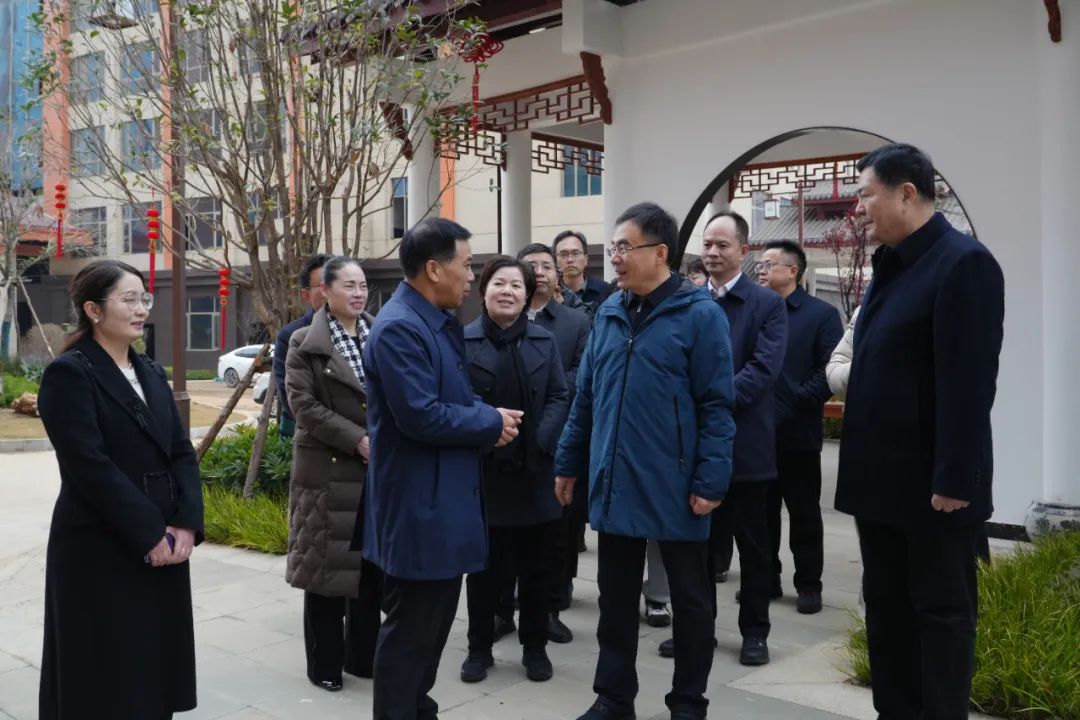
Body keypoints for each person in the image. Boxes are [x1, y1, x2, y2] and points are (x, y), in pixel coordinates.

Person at [835, 143, 1004, 720]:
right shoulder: (891, 263)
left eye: (866, 194)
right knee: (887, 615)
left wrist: (955, 477)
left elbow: (969, 383)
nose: (859, 208)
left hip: (934, 491)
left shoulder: (963, 263)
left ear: (907, 193)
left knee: (941, 618)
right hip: (881, 485)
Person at [555, 202, 736, 720]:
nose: (614, 257)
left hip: (677, 483)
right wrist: (568, 461)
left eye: (624, 247)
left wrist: (711, 479)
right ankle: (614, 698)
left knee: (692, 602)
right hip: (614, 478)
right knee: (615, 599)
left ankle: (688, 703)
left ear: (660, 253)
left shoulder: (701, 315)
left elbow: (717, 405)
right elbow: (586, 398)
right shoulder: (610, 312)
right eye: (612, 247)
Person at [361, 218, 523, 720]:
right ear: (434, 269)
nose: (471, 276)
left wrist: (487, 418)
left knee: (429, 630)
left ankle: (417, 707)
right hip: (419, 508)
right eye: (467, 265)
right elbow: (421, 414)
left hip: (441, 504)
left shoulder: (433, 320)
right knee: (411, 633)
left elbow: (453, 396)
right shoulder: (400, 328)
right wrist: (488, 421)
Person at [36, 259, 204, 719]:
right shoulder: (70, 374)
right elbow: (88, 466)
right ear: (93, 310)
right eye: (128, 299)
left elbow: (179, 450)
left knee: (154, 667)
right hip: (100, 541)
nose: (141, 309)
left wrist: (186, 523)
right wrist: (149, 532)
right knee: (105, 673)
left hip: (165, 539)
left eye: (144, 298)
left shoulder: (149, 370)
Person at [661, 210, 787, 667]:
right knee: (697, 548)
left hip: (746, 447)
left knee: (754, 548)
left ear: (744, 251)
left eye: (722, 245)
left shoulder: (766, 305)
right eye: (707, 245)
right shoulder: (687, 301)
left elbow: (763, 370)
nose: (712, 253)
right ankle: (698, 630)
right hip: (693, 448)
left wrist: (711, 400)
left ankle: (755, 632)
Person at [460, 256, 570, 684]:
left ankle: (535, 648)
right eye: (499, 283)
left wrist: (541, 437)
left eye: (516, 286)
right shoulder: (463, 340)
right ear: (483, 291)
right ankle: (478, 648)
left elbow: (560, 395)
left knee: (537, 569)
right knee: (483, 571)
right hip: (484, 471)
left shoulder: (544, 340)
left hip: (535, 471)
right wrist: (490, 428)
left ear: (527, 296)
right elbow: (457, 399)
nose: (507, 292)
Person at [284, 256, 381, 691]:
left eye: (363, 286)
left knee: (370, 570)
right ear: (325, 291)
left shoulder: (380, 333)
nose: (359, 294)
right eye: (349, 286)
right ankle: (324, 666)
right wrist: (357, 439)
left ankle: (364, 658)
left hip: (377, 470)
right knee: (325, 572)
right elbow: (303, 406)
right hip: (328, 470)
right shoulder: (303, 341)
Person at [757, 240, 843, 615]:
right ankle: (766, 579)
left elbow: (828, 372)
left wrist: (791, 403)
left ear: (793, 271)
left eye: (769, 264)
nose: (761, 270)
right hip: (758, 434)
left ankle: (809, 584)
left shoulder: (820, 315)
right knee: (762, 514)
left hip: (799, 433)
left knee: (804, 514)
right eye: (760, 264)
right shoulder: (756, 311)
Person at [517, 242, 592, 643]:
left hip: (559, 438)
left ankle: (552, 605)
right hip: (509, 435)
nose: (540, 272)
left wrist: (546, 416)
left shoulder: (576, 322)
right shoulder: (502, 317)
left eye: (547, 265)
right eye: (531, 266)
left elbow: (580, 378)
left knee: (558, 530)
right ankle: (504, 607)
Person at [273, 253, 331, 437]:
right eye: (323, 285)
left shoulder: (367, 329)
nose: (331, 290)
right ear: (306, 295)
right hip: (314, 438)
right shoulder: (292, 336)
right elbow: (292, 399)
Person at [553, 229, 613, 314]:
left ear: (586, 259)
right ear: (556, 261)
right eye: (564, 254)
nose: (570, 259)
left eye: (575, 253)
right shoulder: (550, 293)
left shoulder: (605, 291)